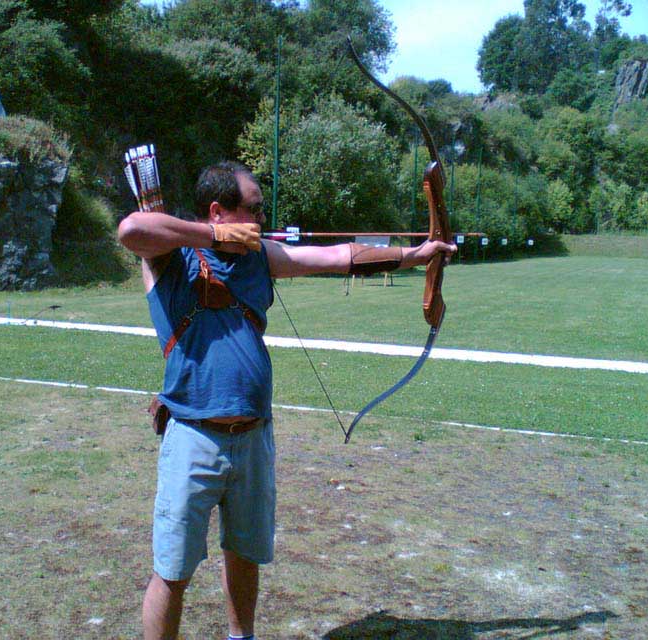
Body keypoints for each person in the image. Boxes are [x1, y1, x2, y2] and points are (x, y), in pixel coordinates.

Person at [117, 161, 456, 640]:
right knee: (172, 569)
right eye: (254, 210)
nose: (261, 219)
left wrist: (416, 255)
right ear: (218, 211)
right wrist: (215, 238)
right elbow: (131, 229)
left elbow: (336, 257)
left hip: (253, 436)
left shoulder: (261, 256)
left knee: (245, 553)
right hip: (193, 436)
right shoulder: (171, 259)